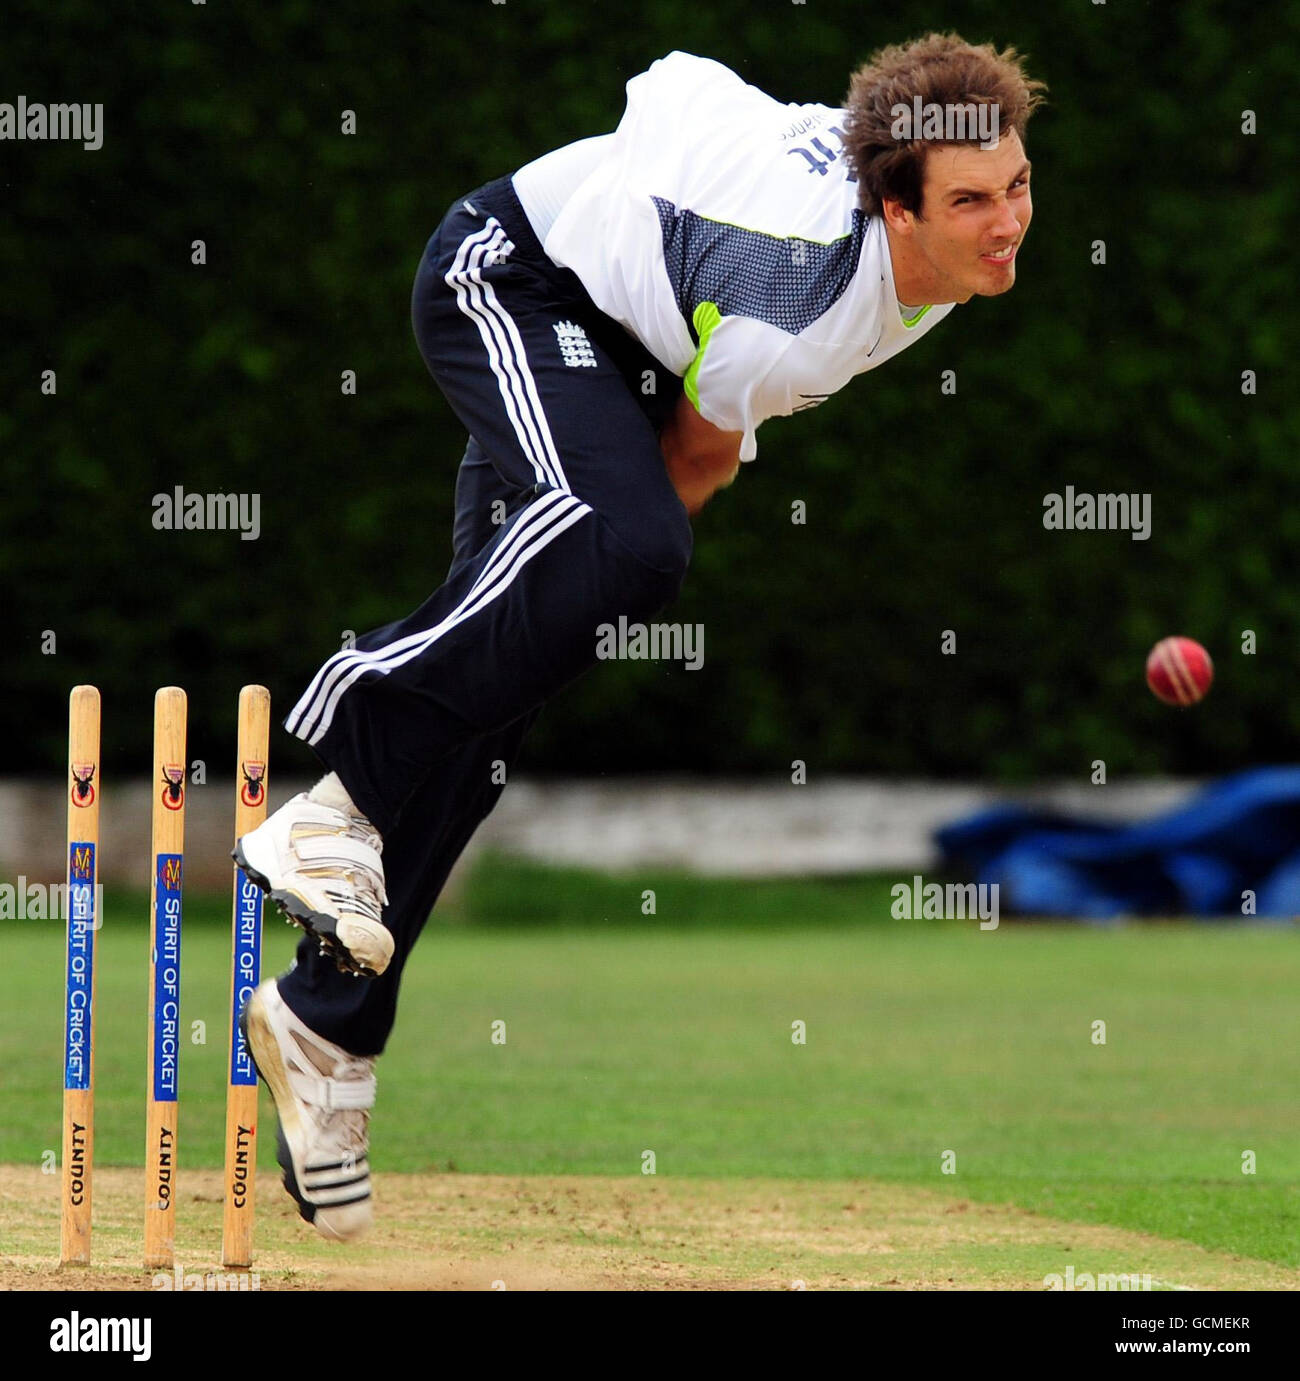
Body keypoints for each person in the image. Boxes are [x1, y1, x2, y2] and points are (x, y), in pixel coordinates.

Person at [233, 33, 1045, 1240]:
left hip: (628, 331)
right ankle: (338, 790)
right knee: (631, 552)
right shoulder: (804, 311)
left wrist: (556, 615)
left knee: (507, 694)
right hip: (510, 276)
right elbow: (686, 470)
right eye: (971, 202)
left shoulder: (911, 229)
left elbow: (680, 80)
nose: (1006, 223)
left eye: (1019, 187)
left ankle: (327, 1024)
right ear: (891, 207)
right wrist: (596, 573)